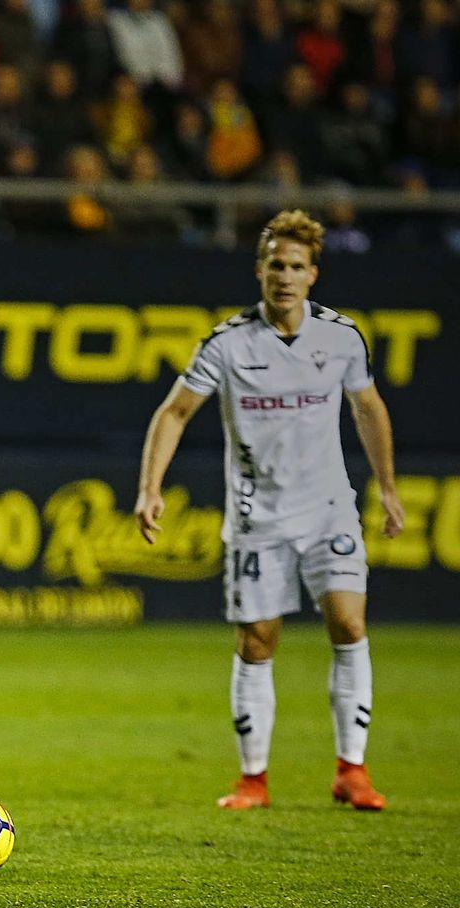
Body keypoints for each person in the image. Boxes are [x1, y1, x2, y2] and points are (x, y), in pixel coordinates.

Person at [134, 209, 404, 812]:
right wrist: (150, 487)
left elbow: (369, 408)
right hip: (259, 517)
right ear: (260, 272)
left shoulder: (341, 338)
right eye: (277, 265)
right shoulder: (228, 344)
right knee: (257, 643)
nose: (286, 276)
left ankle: (351, 771)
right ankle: (253, 779)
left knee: (350, 625)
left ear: (314, 274)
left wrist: (386, 486)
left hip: (330, 510)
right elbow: (174, 412)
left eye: (298, 266)